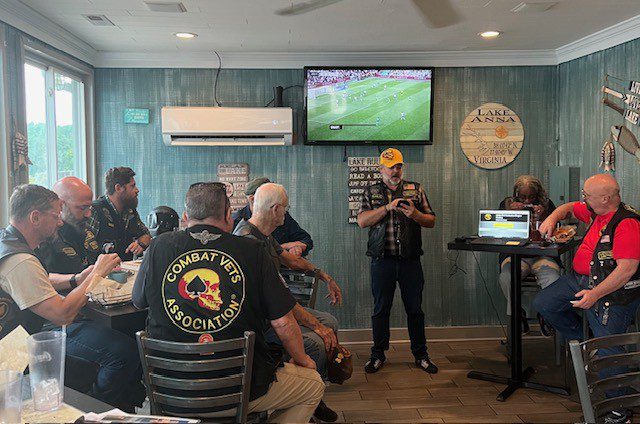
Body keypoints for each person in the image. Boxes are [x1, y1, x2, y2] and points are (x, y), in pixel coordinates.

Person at [132, 182, 324, 423]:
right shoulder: (253, 250)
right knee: (313, 386)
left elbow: (138, 301)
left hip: (167, 390)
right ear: (227, 216)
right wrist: (303, 359)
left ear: (185, 216)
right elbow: (284, 322)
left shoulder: (157, 246)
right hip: (239, 391)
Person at [0, 184, 145, 411]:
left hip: (21, 339)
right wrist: (97, 274)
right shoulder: (20, 259)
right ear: (35, 217)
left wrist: (77, 279)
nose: (59, 222)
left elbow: (41, 279)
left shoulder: (8, 241)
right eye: (55, 216)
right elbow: (62, 314)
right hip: (19, 351)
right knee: (122, 354)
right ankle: (93, 410)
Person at [534, 174, 640, 424]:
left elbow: (627, 269)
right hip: (579, 280)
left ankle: (619, 409)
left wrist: (594, 294)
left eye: (587, 195)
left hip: (612, 292)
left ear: (605, 198)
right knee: (544, 303)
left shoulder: (627, 224)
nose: (583, 199)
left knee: (608, 345)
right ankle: (585, 344)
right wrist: (552, 217)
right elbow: (568, 207)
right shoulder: (596, 209)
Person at [233, 183, 341, 423]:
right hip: (263, 323)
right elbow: (281, 304)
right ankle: (306, 396)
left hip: (276, 311)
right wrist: (316, 327)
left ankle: (315, 395)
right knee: (315, 342)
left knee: (330, 322)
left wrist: (323, 274)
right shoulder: (247, 241)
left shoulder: (264, 235)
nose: (287, 212)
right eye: (286, 208)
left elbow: (291, 261)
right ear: (275, 209)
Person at [357, 147, 438, 374]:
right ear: (381, 169)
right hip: (381, 260)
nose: (395, 170)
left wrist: (416, 215)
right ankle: (377, 355)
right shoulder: (370, 190)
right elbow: (362, 221)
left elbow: (431, 221)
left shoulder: (416, 189)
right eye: (391, 166)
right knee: (381, 309)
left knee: (415, 309)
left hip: (410, 260)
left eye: (399, 166)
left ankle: (421, 355)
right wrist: (387, 208)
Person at [498, 175, 560, 332]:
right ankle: (517, 314)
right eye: (523, 197)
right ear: (516, 194)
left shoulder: (547, 205)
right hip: (516, 255)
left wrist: (545, 216)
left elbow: (557, 233)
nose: (527, 201)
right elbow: (499, 230)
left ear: (537, 194)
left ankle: (546, 315)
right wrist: (510, 213)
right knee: (507, 278)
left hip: (543, 255)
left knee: (553, 279)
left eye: (531, 196)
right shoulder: (506, 204)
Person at [35, 177, 100, 293]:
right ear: (61, 205)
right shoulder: (45, 235)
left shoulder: (83, 228)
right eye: (82, 208)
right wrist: (76, 279)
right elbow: (38, 280)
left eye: (89, 207)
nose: (89, 214)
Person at [233, 177, 313, 257]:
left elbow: (305, 239)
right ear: (253, 199)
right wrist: (284, 247)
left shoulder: (281, 215)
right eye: (269, 194)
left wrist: (297, 247)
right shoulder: (238, 223)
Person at [87, 167, 151, 261]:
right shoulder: (95, 210)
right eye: (132, 186)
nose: (137, 190)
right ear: (118, 188)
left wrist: (140, 244)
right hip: (100, 271)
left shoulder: (129, 211)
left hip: (126, 271)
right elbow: (86, 246)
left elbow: (147, 235)